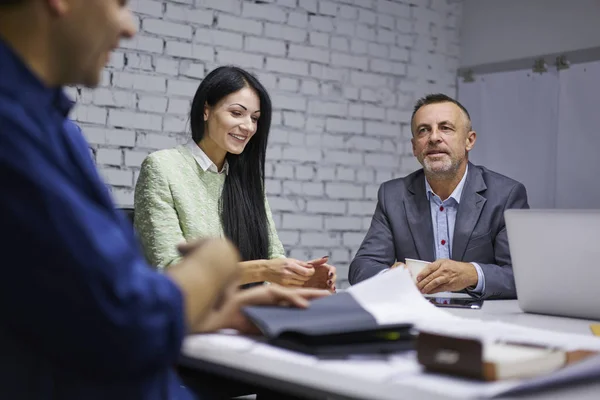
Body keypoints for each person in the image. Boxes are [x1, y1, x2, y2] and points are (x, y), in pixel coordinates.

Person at [0, 1, 327, 399]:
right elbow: (131, 306)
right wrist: (218, 265)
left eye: (255, 119)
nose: (129, 26)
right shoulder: (156, 165)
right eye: (119, 3)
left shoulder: (56, 128)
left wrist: (278, 285)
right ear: (206, 110)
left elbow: (105, 299)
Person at [134, 65, 337, 292]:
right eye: (237, 113)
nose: (248, 127)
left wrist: (301, 279)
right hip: (193, 320)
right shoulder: (162, 167)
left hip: (249, 312)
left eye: (255, 118)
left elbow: (274, 258)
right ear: (206, 110)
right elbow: (172, 271)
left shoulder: (248, 181)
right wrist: (261, 270)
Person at [349, 93, 529, 299]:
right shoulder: (392, 196)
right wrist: (389, 277)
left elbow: (521, 277)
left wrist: (473, 274)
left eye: (446, 128)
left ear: (469, 140)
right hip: (418, 318)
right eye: (424, 130)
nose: (434, 137)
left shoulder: (506, 194)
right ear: (415, 146)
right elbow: (361, 267)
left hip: (481, 320)